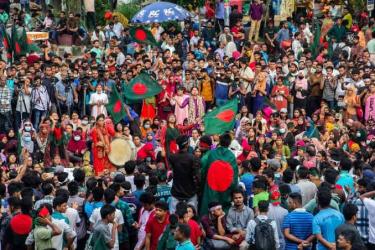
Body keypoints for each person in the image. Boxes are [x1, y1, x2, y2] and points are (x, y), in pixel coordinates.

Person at [169, 135, 199, 213]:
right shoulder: (192, 158)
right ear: (187, 144)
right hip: (190, 193)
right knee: (191, 218)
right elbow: (197, 176)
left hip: (176, 192)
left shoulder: (172, 157)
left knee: (174, 218)